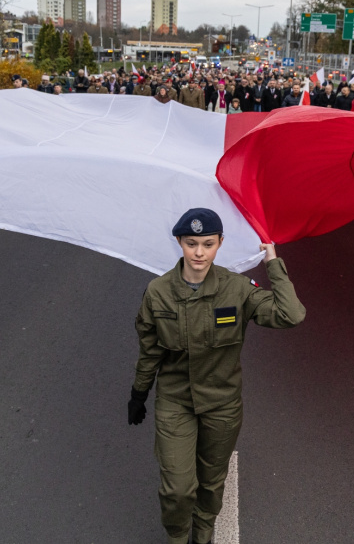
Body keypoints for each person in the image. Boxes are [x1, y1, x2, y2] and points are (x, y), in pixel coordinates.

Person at [128, 208, 306, 544]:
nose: (198, 252)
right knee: (178, 488)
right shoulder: (158, 292)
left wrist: (272, 262)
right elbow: (150, 350)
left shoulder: (237, 289)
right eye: (191, 243)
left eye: (207, 244)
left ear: (220, 244)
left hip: (222, 404)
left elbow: (290, 314)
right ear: (179, 242)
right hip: (176, 400)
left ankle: (204, 531)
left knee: (211, 481)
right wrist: (138, 394)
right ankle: (179, 536)